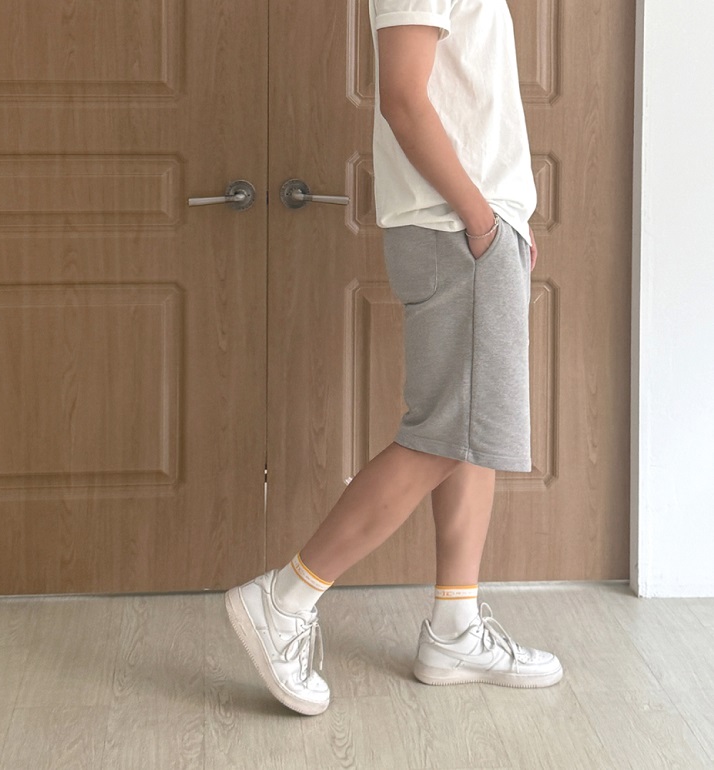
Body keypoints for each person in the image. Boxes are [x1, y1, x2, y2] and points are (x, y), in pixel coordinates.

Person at [225, 0, 563, 716]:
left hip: (476, 226)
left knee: (470, 432)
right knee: (443, 433)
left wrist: (503, 219)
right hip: (457, 228)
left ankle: (455, 629)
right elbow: (405, 100)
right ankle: (283, 600)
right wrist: (481, 218)